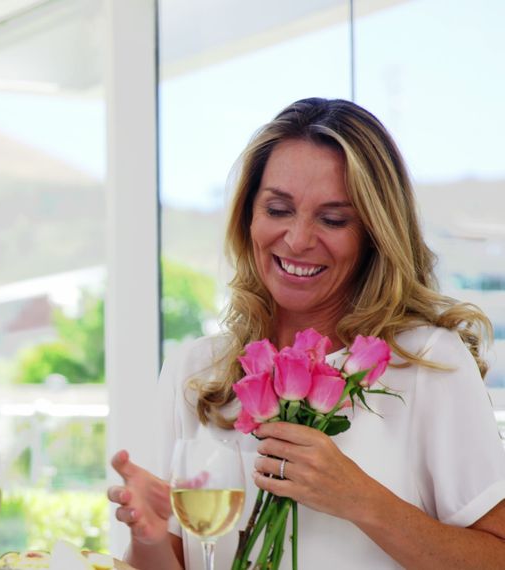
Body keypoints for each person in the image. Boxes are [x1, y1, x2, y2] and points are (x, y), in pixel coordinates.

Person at [108, 98, 505, 569]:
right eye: (278, 209)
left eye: (333, 219)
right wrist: (150, 537)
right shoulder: (197, 373)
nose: (297, 240)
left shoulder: (426, 362)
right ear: (248, 218)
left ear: (374, 233)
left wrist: (360, 499)